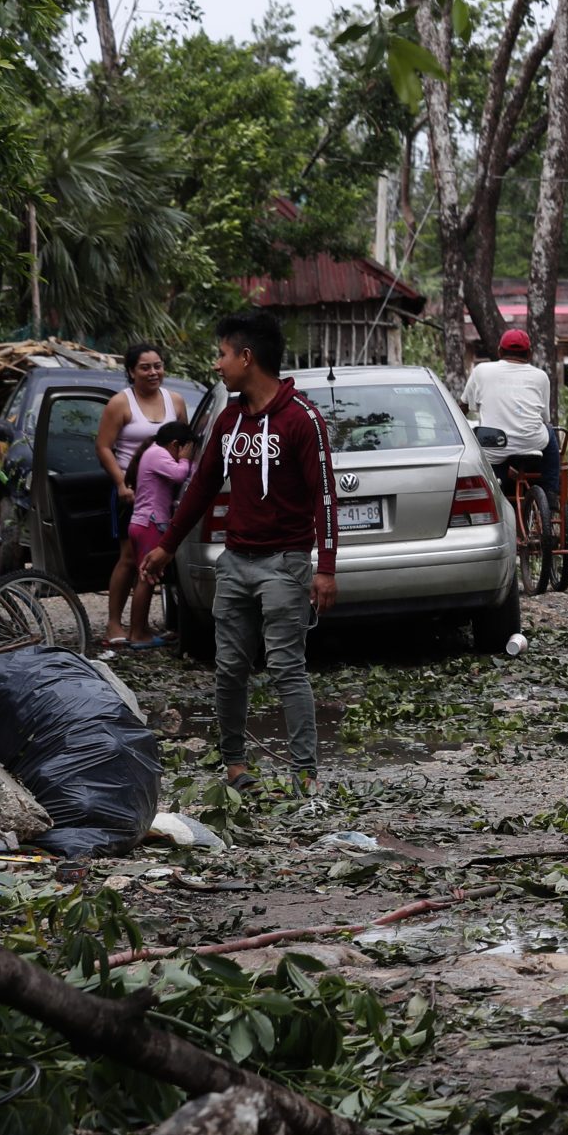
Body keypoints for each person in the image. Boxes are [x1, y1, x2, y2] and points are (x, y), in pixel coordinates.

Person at [141, 309, 338, 787]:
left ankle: (305, 774)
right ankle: (235, 766)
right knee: (229, 668)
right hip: (235, 563)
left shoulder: (302, 419)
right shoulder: (229, 421)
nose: (217, 364)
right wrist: (166, 547)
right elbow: (203, 489)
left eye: (223, 354)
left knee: (287, 667)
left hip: (286, 564)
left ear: (247, 358)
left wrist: (325, 568)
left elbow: (325, 495)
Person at [94, 343, 188, 646]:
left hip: (166, 492)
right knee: (129, 558)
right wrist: (121, 484)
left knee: (160, 558)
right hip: (131, 492)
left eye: (158, 366)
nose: (153, 373)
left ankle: (144, 627)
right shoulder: (121, 404)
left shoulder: (175, 401)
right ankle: (113, 625)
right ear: (131, 371)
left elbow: (184, 444)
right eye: (145, 367)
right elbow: (103, 447)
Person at [461, 328, 558, 516]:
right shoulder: (540, 377)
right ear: (529, 354)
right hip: (531, 444)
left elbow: (464, 405)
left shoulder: (482, 371)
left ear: (499, 352)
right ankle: (551, 491)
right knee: (549, 431)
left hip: (494, 446)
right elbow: (545, 417)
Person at [122, 419, 197, 648]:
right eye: (184, 449)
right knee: (148, 578)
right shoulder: (158, 454)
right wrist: (185, 459)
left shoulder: (152, 452)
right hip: (151, 524)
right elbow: (179, 474)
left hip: (142, 523)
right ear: (176, 444)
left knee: (143, 577)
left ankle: (141, 630)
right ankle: (138, 635)